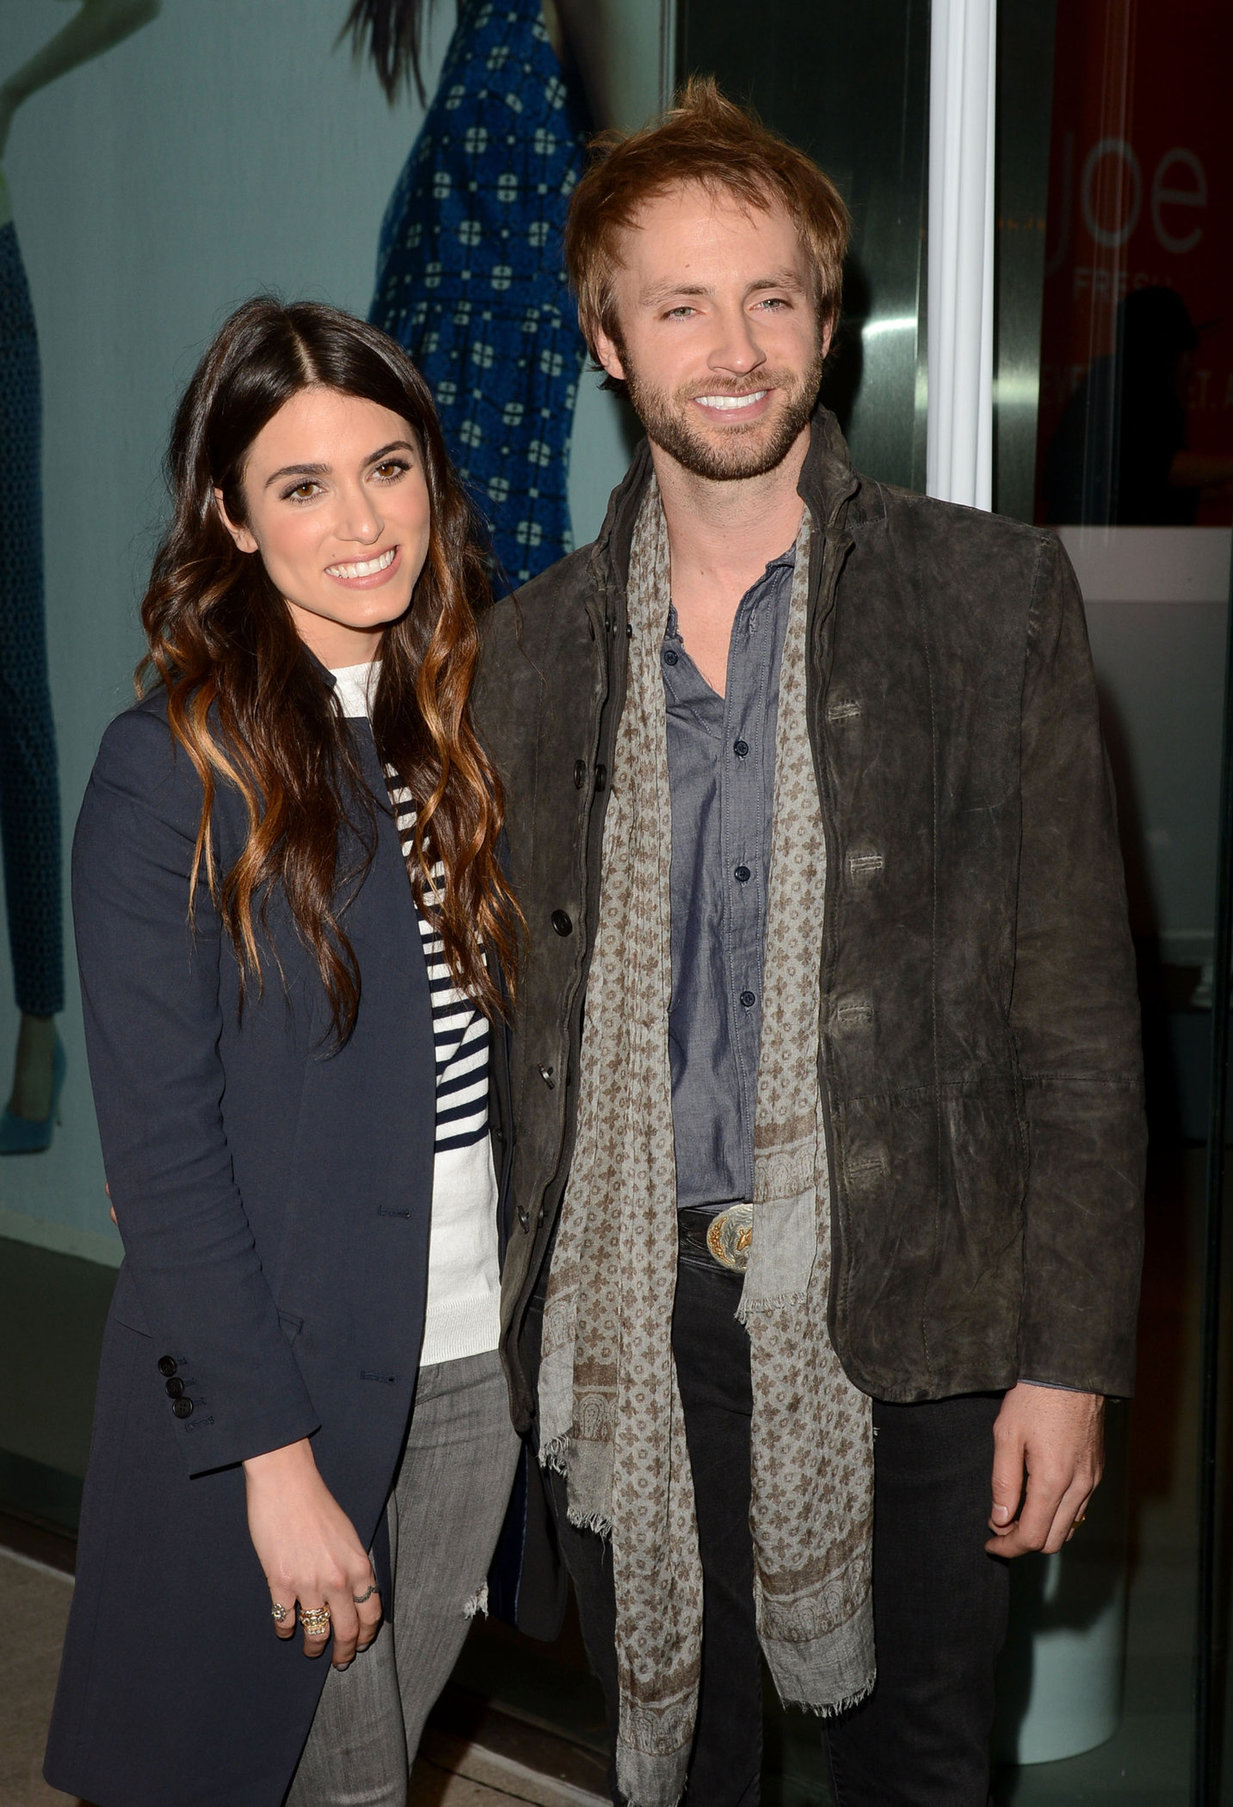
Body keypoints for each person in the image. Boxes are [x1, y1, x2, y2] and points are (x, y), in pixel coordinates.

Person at [474, 80, 1146, 1807]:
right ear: (606, 339)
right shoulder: (521, 655)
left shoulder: (987, 600)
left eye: (771, 295)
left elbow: (1074, 1024)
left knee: (921, 1762)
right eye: (677, 300)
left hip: (921, 1300)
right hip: (635, 1309)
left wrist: (1067, 1360)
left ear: (827, 323)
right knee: (678, 1762)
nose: (733, 343)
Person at [44, 297, 522, 1807]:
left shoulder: (460, 725)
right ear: (232, 521)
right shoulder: (172, 766)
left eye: (387, 467)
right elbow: (164, 1159)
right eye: (301, 487)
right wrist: (274, 1465)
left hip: (466, 1374)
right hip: (286, 1389)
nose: (362, 521)